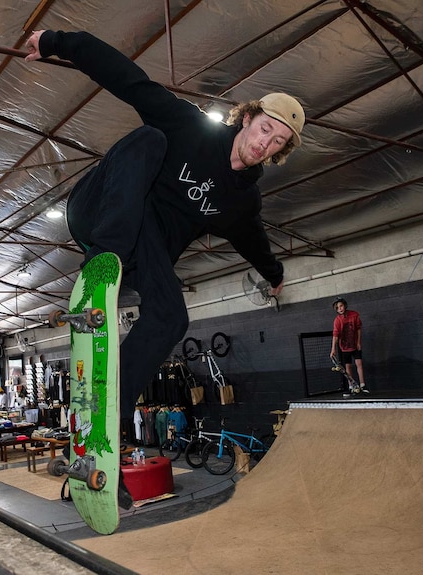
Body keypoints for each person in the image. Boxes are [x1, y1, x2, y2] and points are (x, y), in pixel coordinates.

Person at [24, 29, 303, 420]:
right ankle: (104, 259)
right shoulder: (189, 127)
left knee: (173, 316)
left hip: (143, 252)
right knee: (150, 139)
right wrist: (55, 42)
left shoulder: (243, 202)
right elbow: (127, 78)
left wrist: (274, 274)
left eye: (278, 142)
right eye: (265, 129)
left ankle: (108, 410)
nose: (264, 143)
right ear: (248, 118)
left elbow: (253, 240)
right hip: (99, 212)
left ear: (280, 152)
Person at [329, 297, 369, 394]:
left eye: (341, 306)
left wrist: (359, 342)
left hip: (355, 345)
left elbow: (359, 329)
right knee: (348, 366)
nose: (340, 309)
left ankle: (362, 384)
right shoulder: (337, 320)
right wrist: (333, 349)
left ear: (344, 305)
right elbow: (335, 335)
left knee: (359, 364)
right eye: (338, 308)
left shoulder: (354, 315)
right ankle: (352, 385)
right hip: (345, 347)